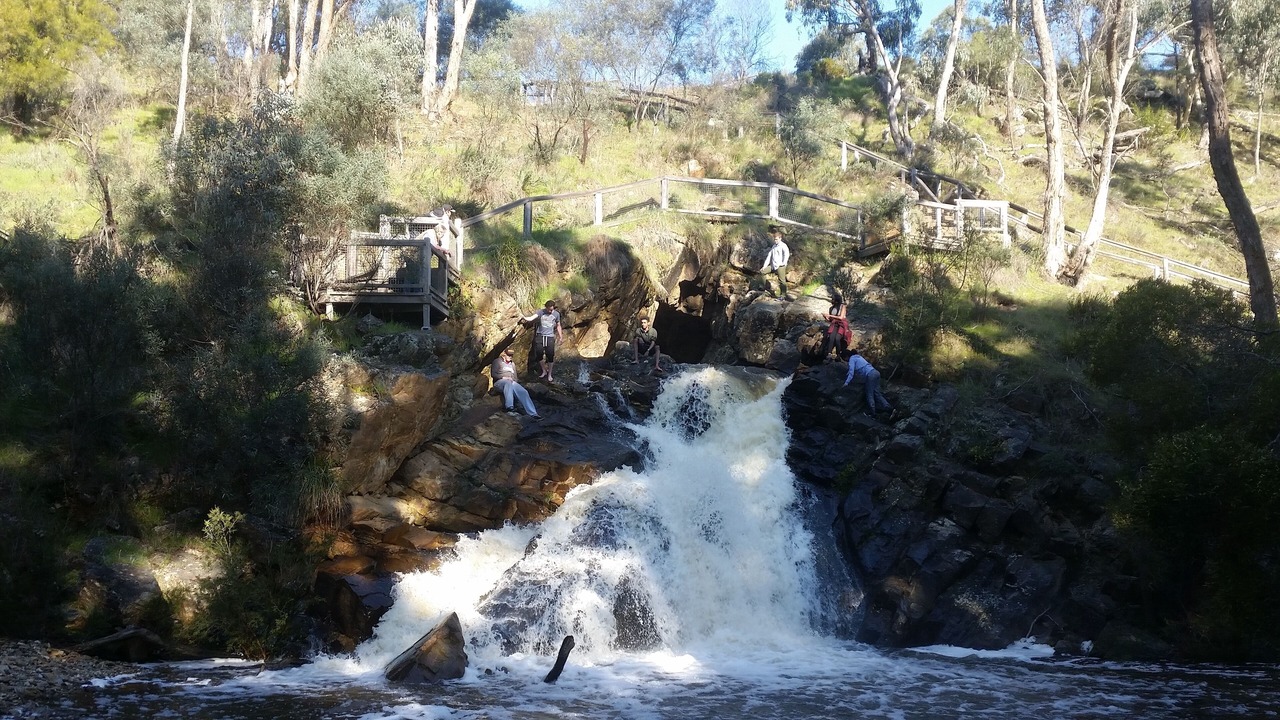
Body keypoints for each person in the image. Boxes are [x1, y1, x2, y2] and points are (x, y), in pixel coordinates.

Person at [522, 299, 564, 382]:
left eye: (552, 309)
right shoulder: (541, 312)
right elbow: (531, 318)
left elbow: (558, 325)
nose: (551, 311)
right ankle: (544, 370)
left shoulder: (556, 314)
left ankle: (550, 374)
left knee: (550, 355)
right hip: (540, 336)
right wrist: (524, 317)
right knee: (539, 353)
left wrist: (561, 337)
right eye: (549, 310)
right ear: (546, 307)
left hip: (550, 336)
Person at [491, 347, 540, 418]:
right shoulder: (497, 361)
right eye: (508, 355)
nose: (510, 357)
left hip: (511, 382)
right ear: (504, 354)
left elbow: (515, 378)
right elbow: (493, 374)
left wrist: (513, 381)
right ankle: (509, 407)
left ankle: (533, 413)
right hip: (499, 382)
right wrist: (503, 377)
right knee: (508, 382)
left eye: (511, 355)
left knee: (523, 391)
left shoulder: (512, 364)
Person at [844, 348, 893, 418]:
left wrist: (846, 383)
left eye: (844, 359)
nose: (845, 361)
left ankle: (873, 413)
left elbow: (851, 371)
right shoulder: (858, 357)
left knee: (869, 394)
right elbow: (852, 370)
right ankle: (889, 408)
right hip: (876, 372)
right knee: (877, 393)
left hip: (870, 375)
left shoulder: (852, 359)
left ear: (846, 356)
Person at [759, 226, 790, 298]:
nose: (775, 241)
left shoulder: (783, 246)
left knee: (782, 280)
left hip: (780, 266)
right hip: (773, 265)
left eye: (776, 239)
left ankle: (783, 295)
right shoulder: (774, 246)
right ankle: (763, 287)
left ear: (780, 238)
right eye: (775, 239)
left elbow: (786, 254)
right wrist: (764, 266)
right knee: (762, 272)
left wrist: (783, 263)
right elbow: (769, 256)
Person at [820, 292, 851, 362]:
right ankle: (829, 354)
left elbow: (841, 317)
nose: (832, 300)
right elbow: (830, 320)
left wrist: (829, 315)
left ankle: (838, 354)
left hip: (841, 324)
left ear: (837, 300)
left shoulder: (842, 307)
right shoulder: (831, 308)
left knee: (837, 338)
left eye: (833, 299)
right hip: (834, 324)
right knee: (831, 337)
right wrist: (825, 317)